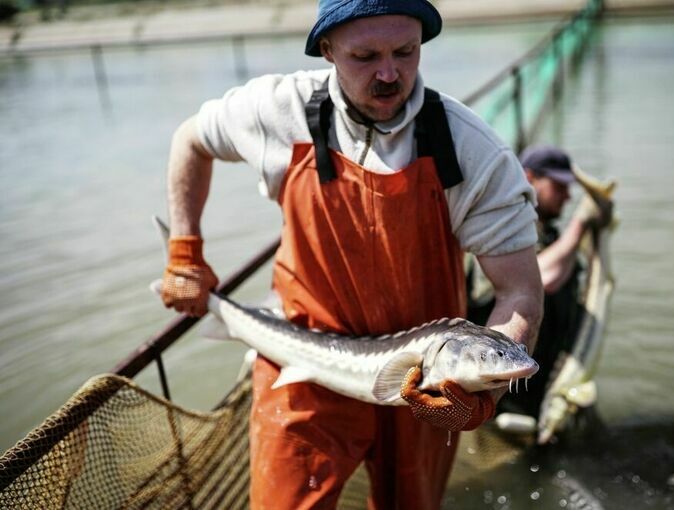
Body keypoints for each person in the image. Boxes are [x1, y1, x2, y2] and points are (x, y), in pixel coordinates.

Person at [160, 1, 543, 508]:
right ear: (327, 49)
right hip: (301, 361)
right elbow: (191, 139)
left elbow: (520, 291)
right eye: (365, 56)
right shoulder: (281, 111)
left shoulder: (471, 149)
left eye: (406, 52)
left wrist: (482, 398)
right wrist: (185, 246)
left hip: (424, 393)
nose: (390, 74)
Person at [467, 145, 611, 418]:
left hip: (542, 385)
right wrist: (580, 223)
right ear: (529, 177)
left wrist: (597, 229)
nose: (568, 196)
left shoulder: (551, 236)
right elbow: (544, 278)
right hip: (501, 398)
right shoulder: (497, 229)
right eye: (559, 187)